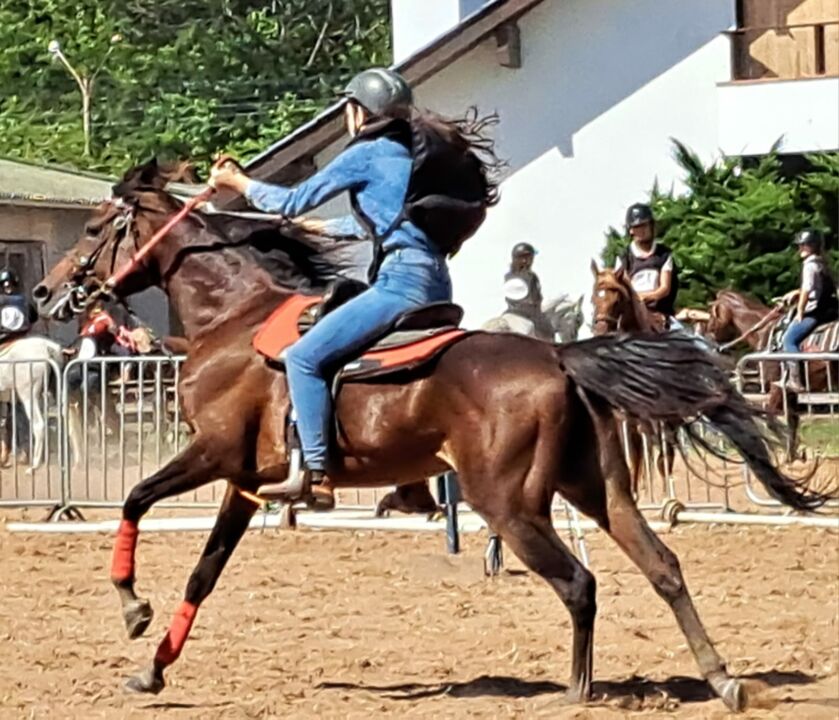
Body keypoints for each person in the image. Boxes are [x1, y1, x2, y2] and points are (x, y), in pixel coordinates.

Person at [210, 67, 498, 508]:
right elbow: (391, 222)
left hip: (399, 282)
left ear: (358, 112)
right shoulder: (411, 156)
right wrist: (329, 230)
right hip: (436, 280)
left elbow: (289, 202)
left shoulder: (365, 154)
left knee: (305, 358)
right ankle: (411, 483)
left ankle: (315, 471)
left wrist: (238, 183)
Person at [780, 229, 838, 388]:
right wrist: (795, 292)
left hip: (814, 312)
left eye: (804, 245)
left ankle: (795, 380)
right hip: (828, 309)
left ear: (813, 246)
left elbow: (807, 289)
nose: (800, 249)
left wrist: (800, 311)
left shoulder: (809, 265)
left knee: (789, 340)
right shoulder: (822, 263)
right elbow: (816, 287)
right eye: (800, 245)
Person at [615, 203, 680, 324]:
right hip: (631, 315)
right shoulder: (623, 258)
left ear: (651, 226)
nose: (642, 230)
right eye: (637, 227)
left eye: (644, 225)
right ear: (631, 230)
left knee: (682, 336)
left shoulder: (664, 255)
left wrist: (644, 297)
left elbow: (664, 288)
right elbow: (622, 288)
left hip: (661, 314)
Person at [503, 243, 553, 339]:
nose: (531, 261)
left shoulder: (508, 276)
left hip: (510, 310)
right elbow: (535, 297)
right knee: (548, 330)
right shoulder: (531, 276)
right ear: (524, 259)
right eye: (530, 258)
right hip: (529, 313)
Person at [0, 269, 36, 344]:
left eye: (9, 284)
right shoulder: (24, 300)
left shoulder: (24, 301)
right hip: (23, 334)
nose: (8, 286)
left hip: (5, 336)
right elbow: (34, 317)